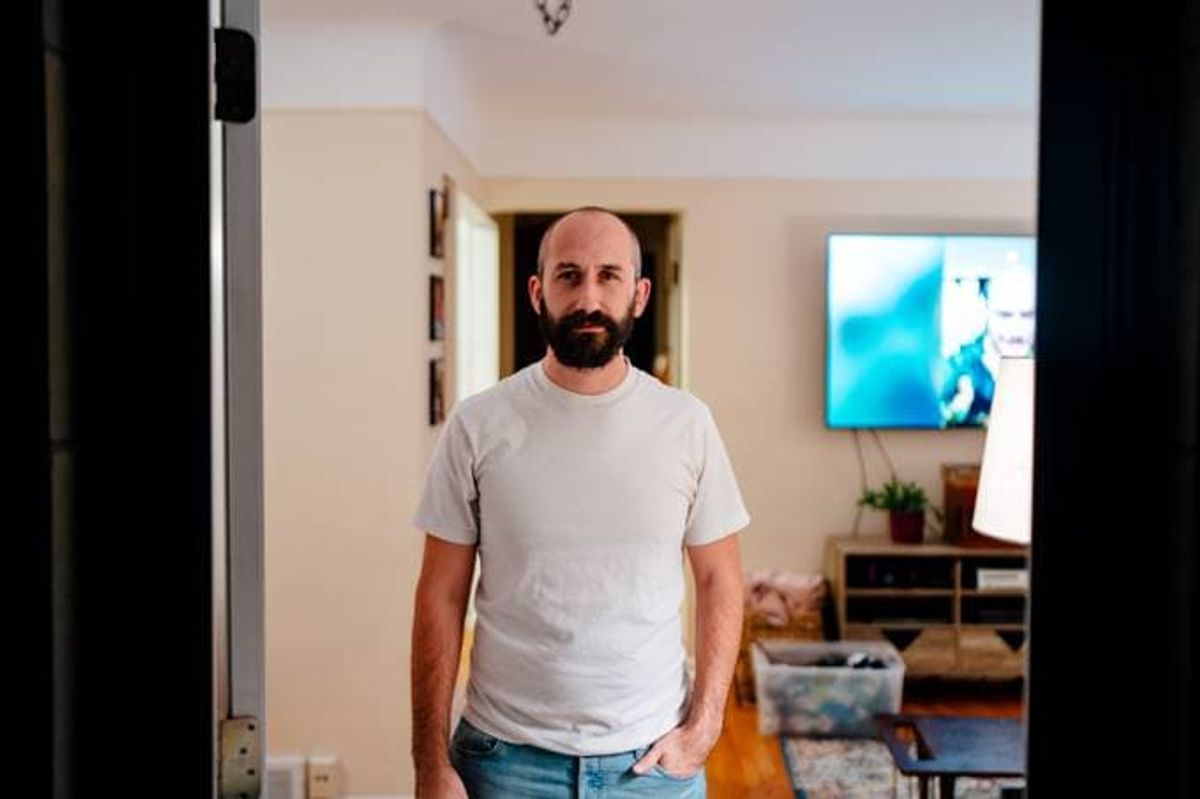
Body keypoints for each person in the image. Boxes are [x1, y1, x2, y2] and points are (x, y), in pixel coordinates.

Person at [410, 207, 750, 798]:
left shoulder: (686, 424)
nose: (588, 296)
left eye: (609, 276)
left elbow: (720, 577)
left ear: (639, 295)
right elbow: (440, 593)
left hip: (651, 767)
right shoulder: (478, 425)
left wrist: (707, 723)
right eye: (569, 276)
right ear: (538, 292)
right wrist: (429, 763)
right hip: (502, 762)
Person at [940, 265, 1036, 426]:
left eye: (1028, 315)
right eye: (1005, 315)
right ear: (986, 308)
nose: (1016, 329)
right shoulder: (955, 369)